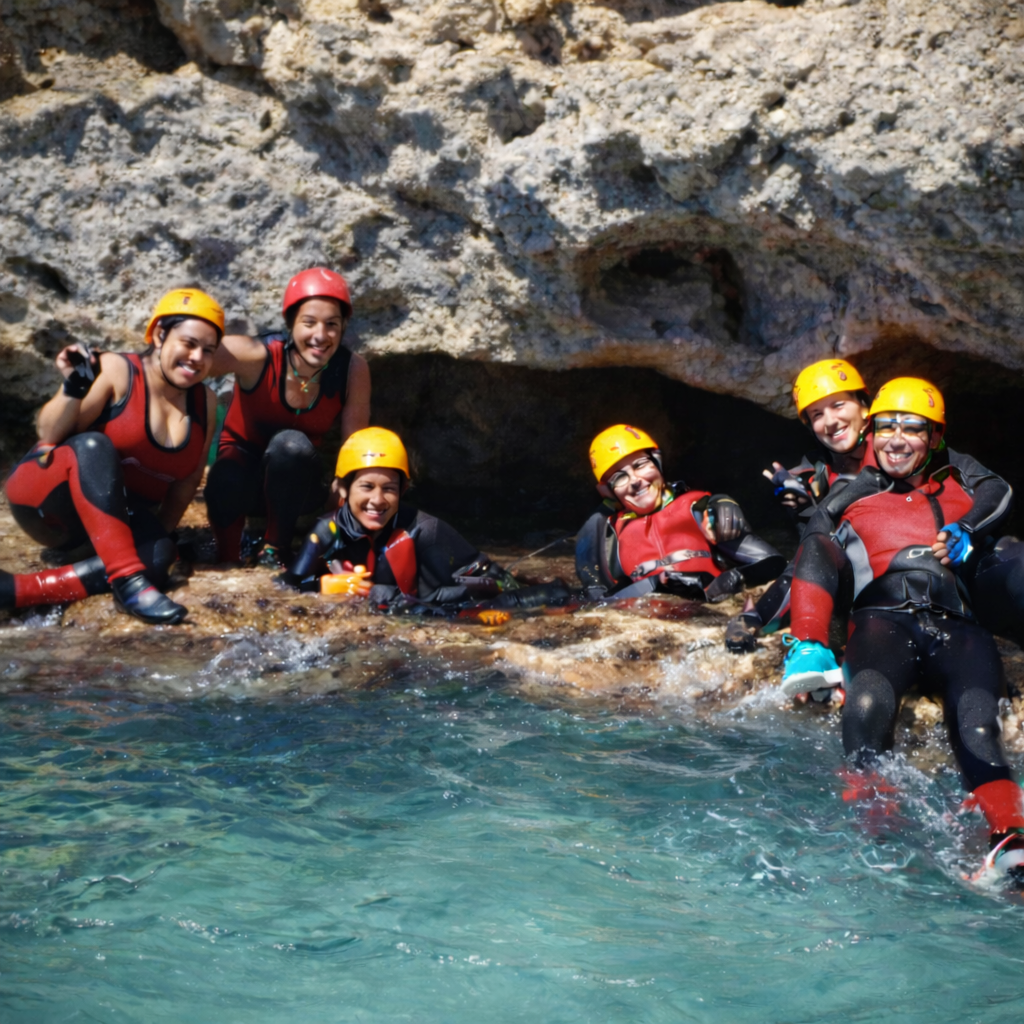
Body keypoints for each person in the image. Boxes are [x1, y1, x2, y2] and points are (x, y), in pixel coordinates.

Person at [781, 378, 1024, 879]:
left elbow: (1001, 492)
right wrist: (805, 634)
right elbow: (812, 552)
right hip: (881, 622)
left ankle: (1009, 839)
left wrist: (969, 531)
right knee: (866, 708)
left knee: (978, 724)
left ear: (933, 440)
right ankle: (879, 835)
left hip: (959, 626)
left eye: (912, 429)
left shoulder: (961, 485)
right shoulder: (851, 493)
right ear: (872, 430)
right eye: (887, 426)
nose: (896, 438)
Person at [1, 288, 223, 624]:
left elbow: (189, 478)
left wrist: (155, 535)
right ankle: (128, 579)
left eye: (208, 350)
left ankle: (16, 591)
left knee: (160, 554)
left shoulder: (204, 400)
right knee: (93, 445)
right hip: (49, 503)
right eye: (189, 343)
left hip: (114, 525)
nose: (197, 357)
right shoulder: (119, 370)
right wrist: (74, 387)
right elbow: (48, 435)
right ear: (161, 334)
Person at [283, 428, 565, 612]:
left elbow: (491, 579)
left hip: (434, 605)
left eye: (389, 488)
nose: (378, 500)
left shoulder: (425, 530)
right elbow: (289, 585)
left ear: (403, 491)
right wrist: (323, 586)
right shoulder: (327, 530)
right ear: (343, 489)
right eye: (366, 487)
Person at [205, 267, 371, 566]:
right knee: (225, 473)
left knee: (290, 446)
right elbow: (189, 356)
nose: (320, 335)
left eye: (332, 324)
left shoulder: (352, 370)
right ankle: (227, 554)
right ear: (291, 323)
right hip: (238, 485)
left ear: (343, 328)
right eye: (309, 323)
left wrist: (339, 507)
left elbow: (355, 453)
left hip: (297, 494)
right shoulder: (257, 355)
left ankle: (275, 549)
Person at [725, 359, 874, 653]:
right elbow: (818, 548)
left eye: (839, 405)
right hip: (851, 582)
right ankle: (756, 619)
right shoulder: (814, 471)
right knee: (819, 548)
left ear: (864, 406)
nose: (830, 421)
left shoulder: (899, 448)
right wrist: (805, 508)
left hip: (900, 572)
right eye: (817, 414)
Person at [575, 425, 786, 602]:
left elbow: (774, 563)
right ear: (608, 491)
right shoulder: (608, 536)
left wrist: (729, 582)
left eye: (641, 465)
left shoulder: (699, 509)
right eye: (619, 478)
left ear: (658, 463)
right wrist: (655, 585)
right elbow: (599, 601)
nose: (635, 481)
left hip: (712, 611)